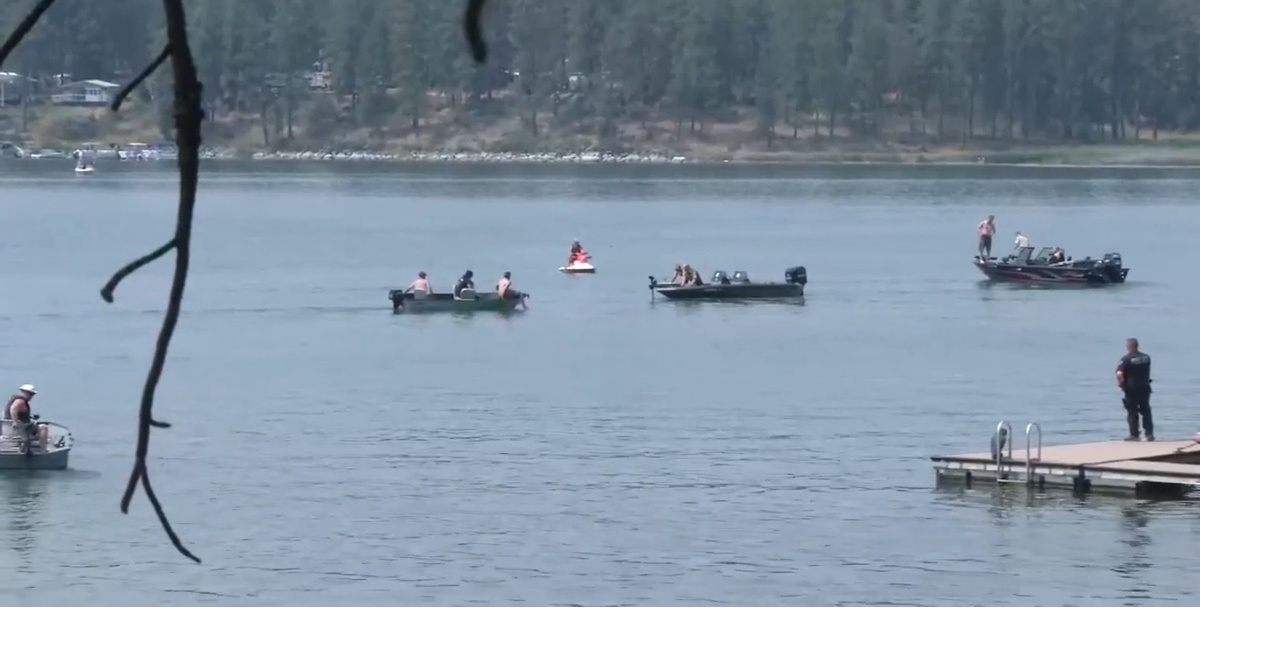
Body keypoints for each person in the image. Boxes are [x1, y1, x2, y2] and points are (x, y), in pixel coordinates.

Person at [1115, 337, 1155, 441]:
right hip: (1145, 387)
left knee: (1132, 411)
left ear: (1129, 346)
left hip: (1131, 389)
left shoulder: (1126, 359)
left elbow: (1119, 373)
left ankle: (1134, 435)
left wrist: (1121, 384)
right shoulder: (1146, 357)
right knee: (1146, 410)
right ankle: (1149, 434)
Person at [4, 384, 48, 452]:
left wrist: (30, 417)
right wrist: (15, 421)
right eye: (30, 394)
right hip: (21, 428)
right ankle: (43, 450)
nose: (31, 396)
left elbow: (19, 412)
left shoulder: (16, 400)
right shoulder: (20, 401)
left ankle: (30, 445)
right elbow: (13, 409)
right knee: (43, 427)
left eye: (32, 394)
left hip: (8, 427)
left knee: (35, 429)